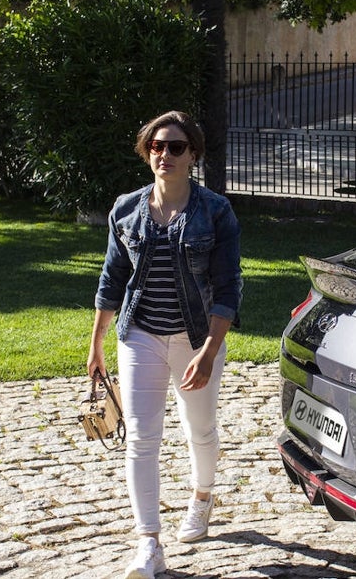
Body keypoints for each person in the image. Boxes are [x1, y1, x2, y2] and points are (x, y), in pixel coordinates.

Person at [88, 111, 242, 579]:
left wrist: (210, 350)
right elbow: (112, 279)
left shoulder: (216, 211)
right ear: (146, 152)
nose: (165, 155)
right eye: (157, 146)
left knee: (200, 427)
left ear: (193, 154)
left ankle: (201, 496)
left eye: (176, 147)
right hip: (140, 336)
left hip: (196, 338)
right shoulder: (126, 209)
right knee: (141, 437)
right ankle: (148, 543)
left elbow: (229, 286)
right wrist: (96, 345)